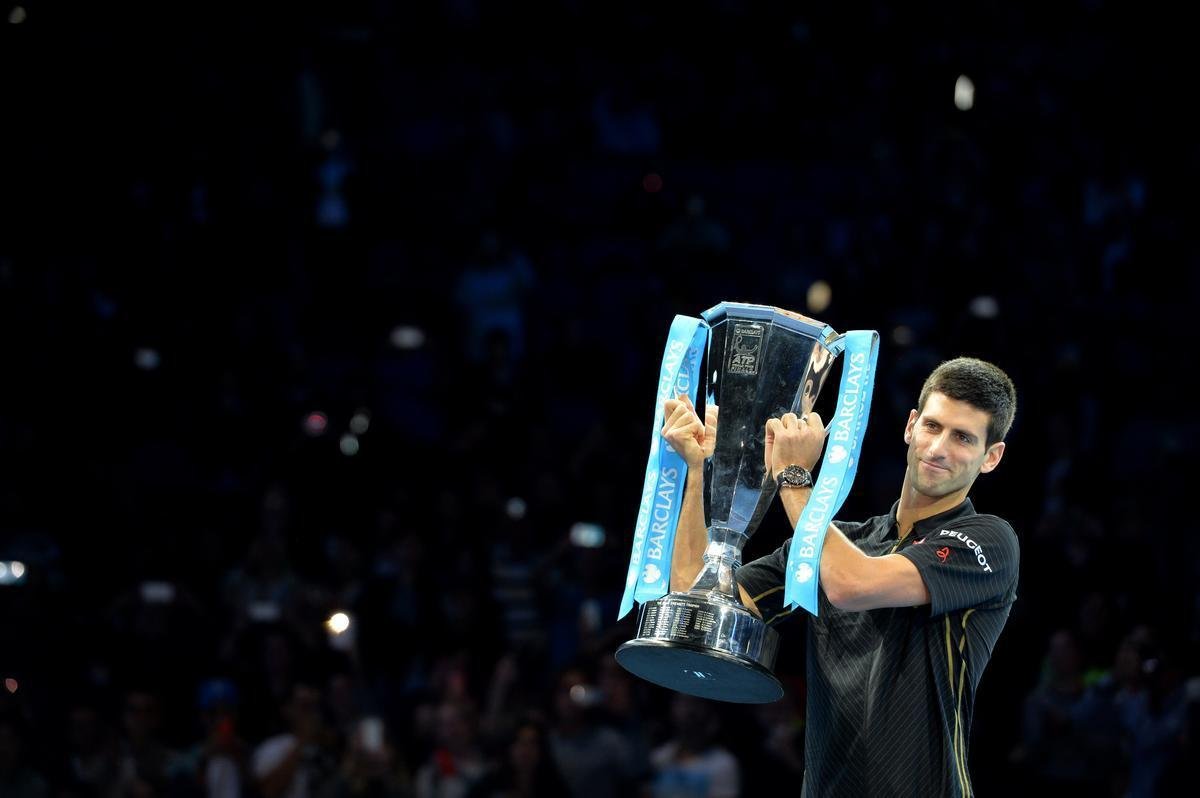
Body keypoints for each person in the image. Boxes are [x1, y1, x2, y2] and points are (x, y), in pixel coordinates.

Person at [663, 356, 1018, 797]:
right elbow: (694, 599)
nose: (939, 448)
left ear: (992, 457)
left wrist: (792, 476)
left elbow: (852, 585)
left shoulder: (988, 541)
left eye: (963, 437)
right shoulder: (836, 544)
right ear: (910, 426)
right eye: (932, 426)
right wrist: (697, 470)